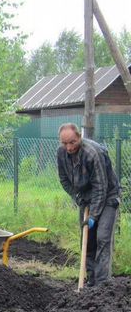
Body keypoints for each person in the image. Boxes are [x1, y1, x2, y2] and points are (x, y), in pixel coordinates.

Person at [57, 123, 121, 287]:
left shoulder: (93, 153)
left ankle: (102, 285)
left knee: (102, 238)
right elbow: (64, 180)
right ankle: (92, 282)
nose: (69, 147)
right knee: (88, 240)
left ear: (79, 137)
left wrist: (93, 216)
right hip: (85, 198)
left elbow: (101, 187)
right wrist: (76, 196)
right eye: (65, 143)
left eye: (72, 142)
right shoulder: (61, 153)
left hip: (108, 197)